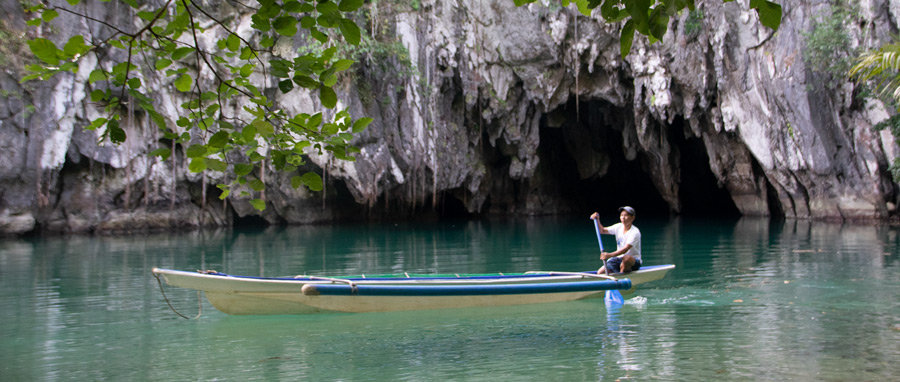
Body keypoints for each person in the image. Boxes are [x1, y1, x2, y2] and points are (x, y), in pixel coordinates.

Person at [590, 206, 641, 274]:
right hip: (618, 259)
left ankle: (622, 275)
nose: (623, 217)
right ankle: (616, 275)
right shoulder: (618, 227)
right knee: (600, 272)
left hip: (633, 261)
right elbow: (601, 231)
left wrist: (609, 255)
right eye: (621, 215)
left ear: (632, 218)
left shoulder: (635, 232)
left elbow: (625, 249)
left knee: (626, 259)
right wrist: (597, 219)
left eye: (626, 215)